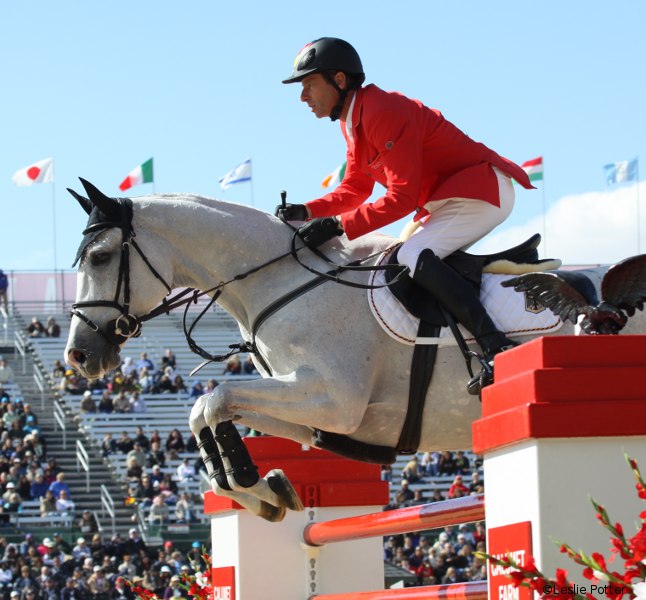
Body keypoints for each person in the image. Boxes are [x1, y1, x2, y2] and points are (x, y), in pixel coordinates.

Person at [279, 37, 533, 394]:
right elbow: (356, 189)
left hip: (480, 191)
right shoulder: (353, 121)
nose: (303, 97)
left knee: (411, 254)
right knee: (395, 258)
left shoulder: (383, 110)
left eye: (308, 85)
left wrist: (338, 225)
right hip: (448, 199)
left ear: (338, 80)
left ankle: (497, 347)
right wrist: (308, 211)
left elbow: (401, 199)